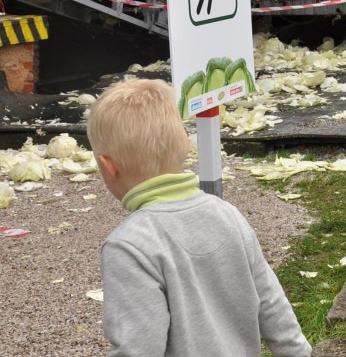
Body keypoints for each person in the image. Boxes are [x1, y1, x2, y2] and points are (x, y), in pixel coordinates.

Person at [87, 79, 311, 357]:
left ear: (109, 167)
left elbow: (138, 347)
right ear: (183, 146)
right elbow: (272, 305)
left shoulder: (129, 245)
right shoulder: (227, 214)